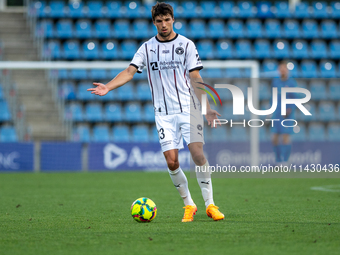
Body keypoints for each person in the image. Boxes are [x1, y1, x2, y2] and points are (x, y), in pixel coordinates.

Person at [87, 2, 224, 222]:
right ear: (154, 23)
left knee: (198, 155)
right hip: (163, 114)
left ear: (173, 19)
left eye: (167, 20)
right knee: (172, 162)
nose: (163, 24)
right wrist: (108, 87)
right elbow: (130, 72)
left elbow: (196, 78)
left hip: (189, 109)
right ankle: (189, 205)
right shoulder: (147, 48)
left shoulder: (187, 45)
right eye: (159, 21)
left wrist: (207, 108)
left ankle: (211, 205)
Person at [271, 61, 297, 164]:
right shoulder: (275, 82)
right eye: (280, 68)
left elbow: (295, 99)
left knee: (285, 137)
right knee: (275, 138)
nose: (282, 70)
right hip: (277, 113)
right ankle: (278, 161)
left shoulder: (291, 83)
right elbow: (273, 97)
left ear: (287, 70)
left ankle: (285, 162)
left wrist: (289, 109)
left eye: (284, 68)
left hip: (287, 115)